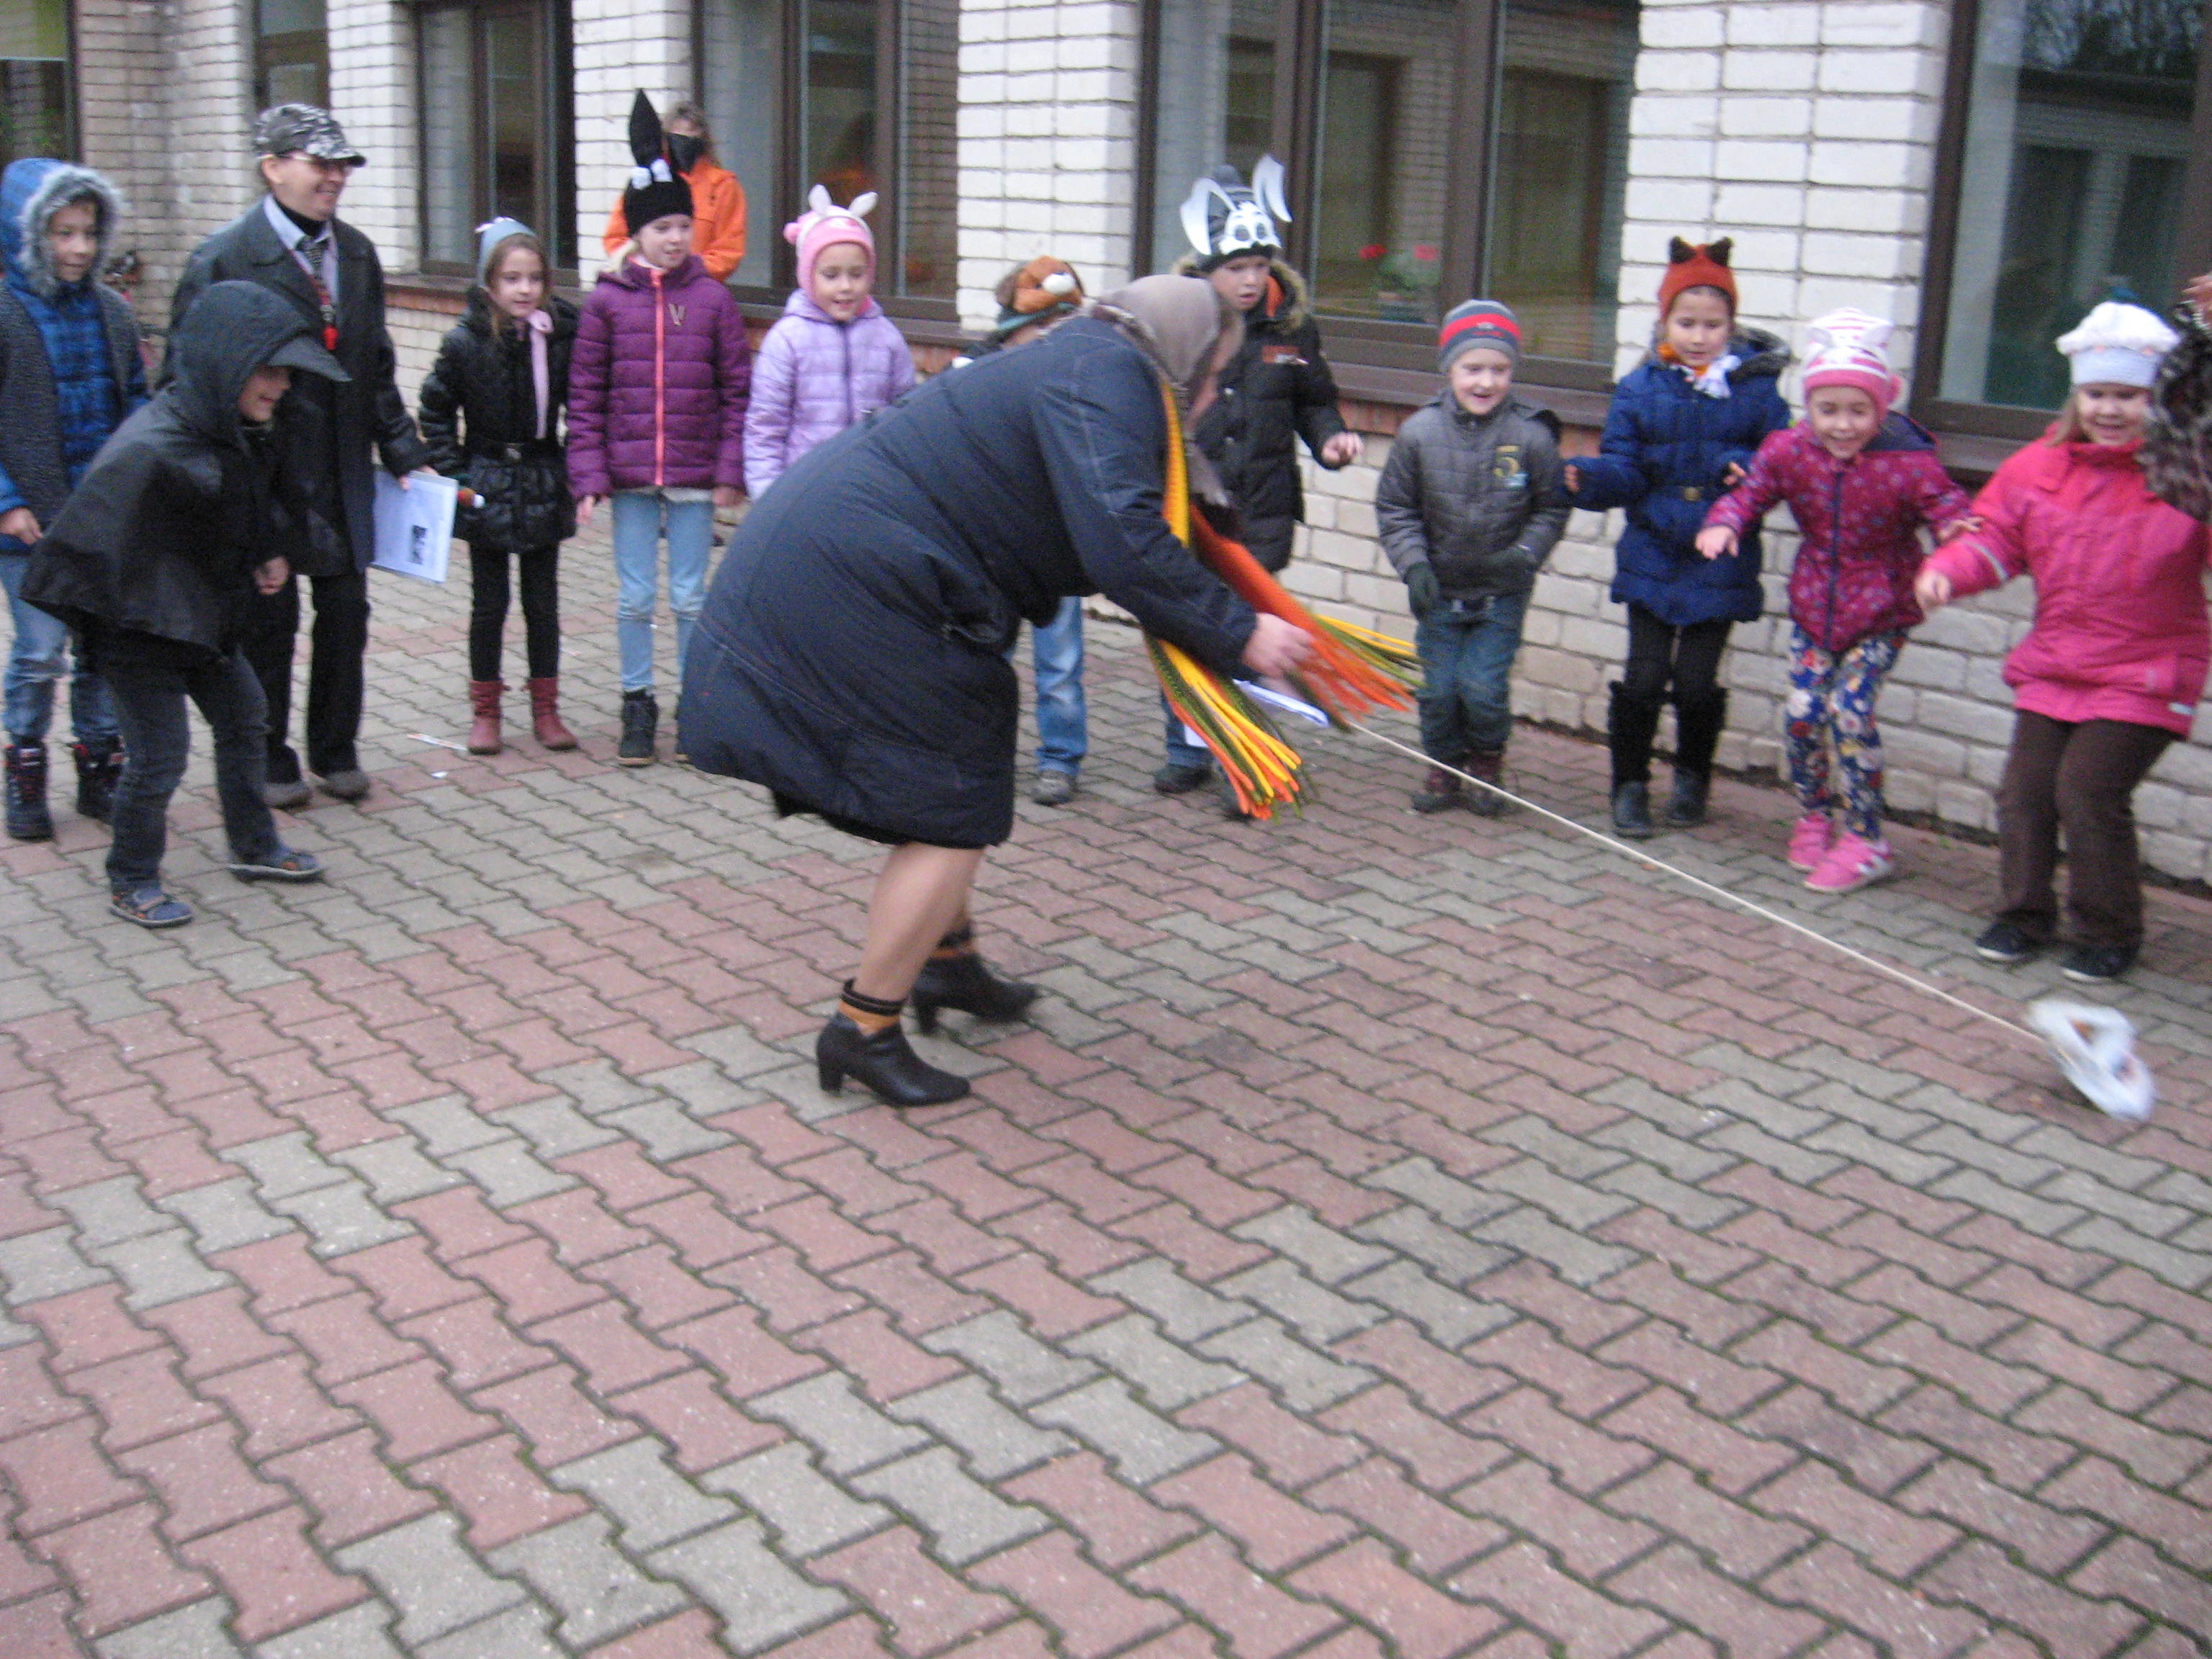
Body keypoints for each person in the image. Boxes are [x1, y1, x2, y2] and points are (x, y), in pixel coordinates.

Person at [680, 276, 1313, 1107]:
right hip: (858, 579)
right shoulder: (1110, 378)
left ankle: (947, 966)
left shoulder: (1092, 361)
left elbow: (1122, 517)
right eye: (1212, 376)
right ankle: (862, 1028)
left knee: (956, 783)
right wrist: (1239, 632)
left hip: (858, 561)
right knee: (951, 811)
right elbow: (1123, 543)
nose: (1209, 397)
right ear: (1183, 356)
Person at [22, 282, 337, 925]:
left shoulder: (236, 430)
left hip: (202, 624)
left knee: (246, 719)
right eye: (269, 370)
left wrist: (268, 552)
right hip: (137, 636)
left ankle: (253, 846)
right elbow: (80, 555)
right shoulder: (151, 448)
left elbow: (240, 510)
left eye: (287, 372)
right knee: (161, 755)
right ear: (228, 362)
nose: (281, 386)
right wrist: (106, 638)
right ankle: (131, 877)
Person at [1916, 301, 2207, 984]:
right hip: (2058, 664)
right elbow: (1994, 537)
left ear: (2159, 401)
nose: (2111, 410)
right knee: (2026, 793)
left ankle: (2110, 931)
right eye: (2097, 394)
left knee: (2086, 791)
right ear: (2077, 397)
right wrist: (1946, 572)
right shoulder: (2036, 467)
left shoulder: (2186, 476)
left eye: (2129, 396)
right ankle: (2024, 916)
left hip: (2149, 670)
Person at [170, 105, 431, 810]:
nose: (335, 178)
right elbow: (187, 383)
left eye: (343, 166)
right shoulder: (224, 258)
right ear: (273, 168)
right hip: (266, 477)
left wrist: (405, 452)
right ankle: (268, 754)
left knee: (347, 613)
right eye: (321, 164)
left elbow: (375, 367)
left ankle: (335, 748)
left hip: (342, 473)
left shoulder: (357, 254)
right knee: (268, 622)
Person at [1699, 309, 1975, 891]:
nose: (1842, 425)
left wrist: (1955, 542)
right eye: (1828, 410)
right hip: (1815, 607)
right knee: (1803, 715)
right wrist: (1725, 522)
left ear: (1881, 407)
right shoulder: (1790, 450)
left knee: (1850, 712)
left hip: (1883, 610)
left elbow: (1948, 507)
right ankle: (1813, 814)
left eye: (1858, 410)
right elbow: (1751, 492)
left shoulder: (1908, 462)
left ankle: (1867, 837)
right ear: (1810, 407)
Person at [1565, 237, 1791, 838]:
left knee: (1695, 682)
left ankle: (1692, 776)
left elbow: (1783, 457)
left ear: (1730, 326)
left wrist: (1751, 468)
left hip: (1721, 556)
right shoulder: (1640, 388)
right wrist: (1588, 479)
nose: (1698, 336)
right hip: (1653, 551)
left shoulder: (1757, 391)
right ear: (1665, 320)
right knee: (1644, 677)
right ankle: (1630, 783)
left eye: (1712, 325)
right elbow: (1625, 467)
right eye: (1686, 323)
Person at [1156, 158, 1361, 801]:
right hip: (1195, 511)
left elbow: (1314, 400)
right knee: (1186, 627)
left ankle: (1238, 759)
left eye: (1258, 265)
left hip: (1262, 513)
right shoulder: (1180, 323)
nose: (1250, 280)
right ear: (1206, 268)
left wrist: (1330, 438)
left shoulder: (1292, 329)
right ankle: (1185, 747)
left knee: (1243, 636)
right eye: (1235, 267)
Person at [568, 91, 751, 767]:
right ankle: (636, 701)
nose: (675, 238)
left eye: (683, 225)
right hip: (631, 477)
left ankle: (696, 705)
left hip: (696, 475)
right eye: (661, 227)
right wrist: (588, 476)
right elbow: (585, 396)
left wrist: (730, 470)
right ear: (637, 233)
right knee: (636, 597)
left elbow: (737, 391)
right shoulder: (605, 304)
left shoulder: (713, 300)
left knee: (691, 598)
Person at [0, 158, 146, 840]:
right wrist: (7, 501)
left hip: (102, 520)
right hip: (28, 525)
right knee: (39, 653)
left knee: (103, 650)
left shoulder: (112, 313)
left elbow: (138, 404)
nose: (80, 248)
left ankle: (100, 765)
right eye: (62, 234)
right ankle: (25, 765)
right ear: (28, 235)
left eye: (89, 233)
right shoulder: (6, 314)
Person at [1377, 300, 1568, 814]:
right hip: (1439, 589)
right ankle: (1444, 766)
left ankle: (1486, 763)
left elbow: (1551, 508)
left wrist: (1525, 554)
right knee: (1439, 690)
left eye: (1499, 370)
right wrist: (1414, 565)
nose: (1486, 382)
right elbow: (1396, 508)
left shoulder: (1531, 435)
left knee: (1482, 688)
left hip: (1501, 592)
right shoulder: (1419, 433)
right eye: (1473, 369)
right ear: (1449, 369)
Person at [418, 217, 580, 756]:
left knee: (543, 603)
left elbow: (584, 402)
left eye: (534, 278)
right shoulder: (464, 342)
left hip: (542, 477)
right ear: (489, 284)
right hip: (485, 478)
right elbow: (435, 410)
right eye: (511, 278)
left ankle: (546, 709)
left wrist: (575, 464)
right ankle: (486, 710)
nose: (524, 289)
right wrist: (455, 473)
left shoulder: (560, 336)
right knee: (489, 605)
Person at [959, 256, 1092, 806]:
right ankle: (981, 755)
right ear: (1013, 330)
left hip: (1056, 544)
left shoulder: (1081, 383)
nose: (1052, 339)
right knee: (986, 656)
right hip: (992, 547)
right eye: (1042, 326)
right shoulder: (973, 376)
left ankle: (1060, 758)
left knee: (1060, 661)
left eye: (1065, 326)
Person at [742, 186, 915, 500]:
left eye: (857, 274)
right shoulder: (787, 340)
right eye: (831, 275)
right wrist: (768, 495)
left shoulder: (886, 338)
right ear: (808, 275)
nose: (846, 286)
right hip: (805, 490)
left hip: (872, 488)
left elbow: (906, 417)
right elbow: (766, 426)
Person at [599, 102, 746, 284]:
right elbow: (616, 238)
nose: (684, 144)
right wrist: (644, 270)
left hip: (697, 288)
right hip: (645, 287)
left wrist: (685, 274)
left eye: (692, 137)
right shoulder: (648, 182)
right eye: (677, 137)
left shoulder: (722, 185)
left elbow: (728, 251)